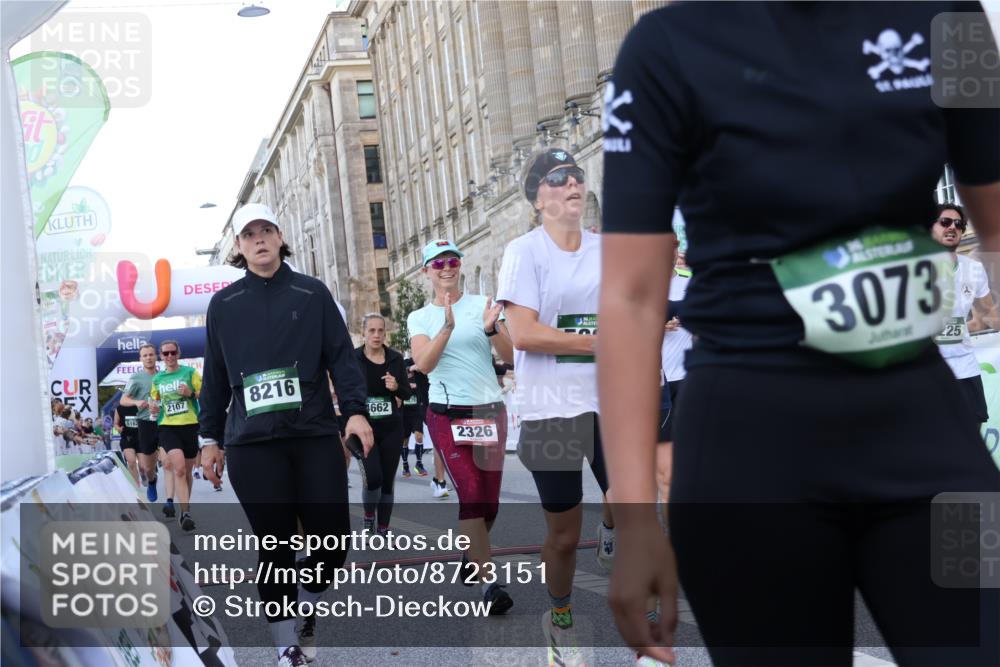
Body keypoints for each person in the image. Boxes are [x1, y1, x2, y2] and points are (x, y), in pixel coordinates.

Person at [599, 4, 1000, 666]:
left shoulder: (946, 18)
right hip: (749, 447)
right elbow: (634, 296)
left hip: (920, 424)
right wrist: (637, 513)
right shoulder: (665, 47)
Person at [198, 202, 373, 667]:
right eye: (248, 234)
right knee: (275, 546)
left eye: (266, 231)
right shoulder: (223, 305)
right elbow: (214, 376)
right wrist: (208, 438)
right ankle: (286, 647)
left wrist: (355, 413)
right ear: (238, 247)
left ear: (279, 237)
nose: (258, 239)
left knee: (333, 542)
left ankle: (306, 606)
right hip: (252, 444)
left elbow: (341, 357)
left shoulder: (313, 294)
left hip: (313, 434)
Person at [496, 149, 616, 664]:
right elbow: (522, 333)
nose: (572, 184)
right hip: (554, 410)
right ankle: (561, 615)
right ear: (537, 200)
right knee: (564, 537)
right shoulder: (524, 252)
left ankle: (614, 535)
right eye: (557, 178)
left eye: (577, 176)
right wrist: (600, 341)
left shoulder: (609, 248)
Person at [408, 239, 516, 615]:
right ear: (427, 272)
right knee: (470, 495)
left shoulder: (484, 304)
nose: (447, 268)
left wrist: (490, 330)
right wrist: (447, 328)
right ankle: (489, 584)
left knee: (490, 502)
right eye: (438, 264)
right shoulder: (419, 317)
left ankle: (472, 556)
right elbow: (423, 365)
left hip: (489, 412)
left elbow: (511, 354)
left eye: (452, 261)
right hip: (447, 413)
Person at [931, 203, 1000, 429]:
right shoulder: (915, 268)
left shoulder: (974, 269)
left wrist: (956, 328)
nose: (953, 227)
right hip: (931, 370)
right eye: (945, 222)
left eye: (959, 224)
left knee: (973, 434)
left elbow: (986, 317)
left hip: (965, 367)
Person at [353, 313, 411, 534]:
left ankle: (383, 528)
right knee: (373, 477)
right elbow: (345, 388)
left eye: (380, 331)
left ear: (385, 333)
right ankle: (369, 516)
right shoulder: (353, 358)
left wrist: (396, 387)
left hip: (391, 427)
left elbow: (407, 394)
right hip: (365, 427)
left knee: (387, 480)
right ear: (363, 333)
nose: (376, 335)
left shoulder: (395, 358)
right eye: (372, 330)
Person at [148, 339, 201, 532]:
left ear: (178, 353)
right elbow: (155, 403)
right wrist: (153, 407)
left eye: (172, 352)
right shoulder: (158, 379)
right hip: (167, 426)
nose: (169, 356)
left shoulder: (190, 373)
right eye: (165, 353)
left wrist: (190, 392)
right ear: (161, 356)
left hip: (189, 425)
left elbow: (204, 394)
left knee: (186, 472)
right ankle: (185, 514)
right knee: (178, 468)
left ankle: (184, 508)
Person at [119, 344, 162, 503]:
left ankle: (171, 502)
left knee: (170, 461)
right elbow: (123, 400)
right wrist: (137, 402)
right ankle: (152, 480)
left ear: (156, 356)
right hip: (146, 423)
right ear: (140, 359)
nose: (149, 358)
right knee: (146, 467)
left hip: (165, 421)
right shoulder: (136, 378)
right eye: (145, 355)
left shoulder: (164, 375)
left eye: (151, 354)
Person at [399, 357, 429, 479]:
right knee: (404, 440)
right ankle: (405, 465)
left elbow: (424, 387)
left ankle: (419, 463)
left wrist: (415, 386)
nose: (409, 372)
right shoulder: (401, 378)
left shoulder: (419, 378)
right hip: (404, 413)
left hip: (417, 411)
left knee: (419, 436)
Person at [114, 394, 141, 484]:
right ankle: (137, 486)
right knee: (132, 462)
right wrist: (118, 428)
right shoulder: (119, 408)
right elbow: (115, 424)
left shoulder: (139, 405)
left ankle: (146, 475)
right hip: (127, 438)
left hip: (141, 438)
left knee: (144, 466)